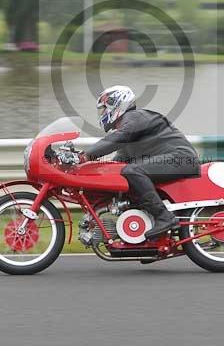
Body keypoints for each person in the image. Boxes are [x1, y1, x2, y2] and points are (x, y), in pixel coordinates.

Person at [83, 85, 200, 238]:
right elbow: (115, 164)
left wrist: (86, 155)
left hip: (181, 158)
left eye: (104, 108)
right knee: (121, 173)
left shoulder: (135, 117)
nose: (103, 113)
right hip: (175, 159)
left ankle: (164, 218)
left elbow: (118, 138)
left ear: (116, 103)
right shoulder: (128, 133)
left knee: (132, 171)